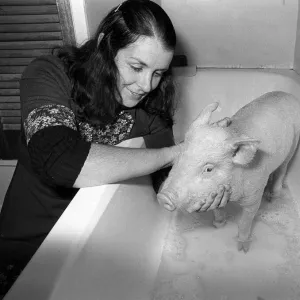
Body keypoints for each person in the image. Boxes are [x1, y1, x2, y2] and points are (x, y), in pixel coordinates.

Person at [0, 0, 231, 296]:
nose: (147, 84)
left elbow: (164, 181)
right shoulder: (48, 74)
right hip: (27, 242)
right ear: (105, 47)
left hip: (94, 247)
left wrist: (201, 188)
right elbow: (57, 161)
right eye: (137, 67)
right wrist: (179, 152)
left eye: (158, 72)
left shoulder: (152, 105)